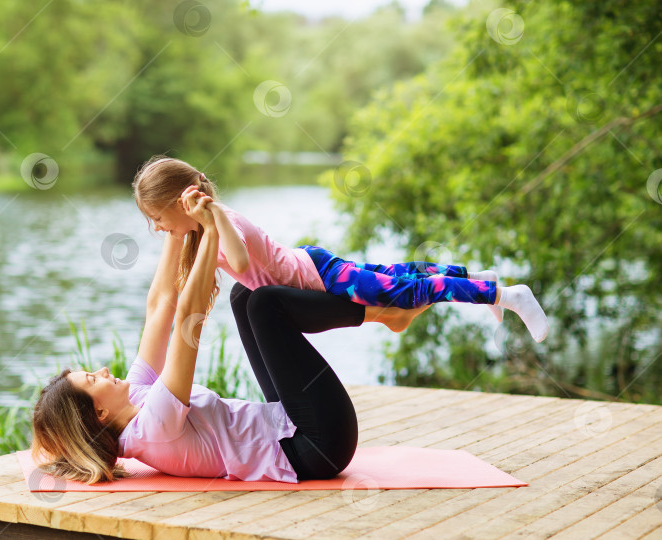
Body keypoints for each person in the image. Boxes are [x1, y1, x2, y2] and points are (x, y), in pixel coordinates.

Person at [31, 194, 426, 484]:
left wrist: (177, 221)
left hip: (288, 423)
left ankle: (384, 313)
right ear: (99, 414)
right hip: (318, 447)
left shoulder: (135, 396)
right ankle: (383, 314)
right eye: (93, 380)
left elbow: (160, 306)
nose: (103, 370)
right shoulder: (152, 429)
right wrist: (208, 236)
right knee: (266, 303)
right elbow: (189, 317)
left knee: (247, 293)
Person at [132, 155, 549, 343]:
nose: (159, 228)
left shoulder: (222, 219)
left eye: (159, 217)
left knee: (407, 293)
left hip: (321, 275)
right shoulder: (200, 233)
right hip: (314, 266)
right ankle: (479, 279)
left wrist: (208, 216)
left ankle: (508, 296)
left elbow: (239, 261)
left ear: (181, 201)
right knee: (398, 276)